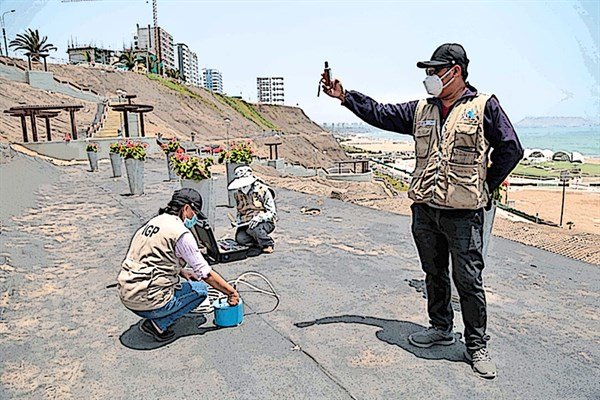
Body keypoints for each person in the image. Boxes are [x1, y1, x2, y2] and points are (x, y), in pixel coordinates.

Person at [321, 43, 523, 379]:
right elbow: (380, 112)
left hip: (463, 213)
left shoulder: (484, 106)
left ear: (454, 70)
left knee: (468, 280)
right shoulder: (421, 110)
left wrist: (487, 186)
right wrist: (345, 96)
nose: (429, 77)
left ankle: (476, 345)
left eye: (434, 71)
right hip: (425, 210)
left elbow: (511, 148)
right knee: (434, 274)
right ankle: (441, 328)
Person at [117, 188, 239, 341]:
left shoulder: (154, 222)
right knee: (200, 290)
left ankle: (155, 314)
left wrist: (182, 271)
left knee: (185, 285)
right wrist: (231, 293)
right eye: (194, 214)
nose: (194, 218)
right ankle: (158, 324)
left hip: (127, 295)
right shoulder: (181, 234)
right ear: (186, 208)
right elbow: (205, 273)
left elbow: (150, 257)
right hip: (146, 301)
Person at [227, 165, 277, 254]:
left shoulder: (263, 190)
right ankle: (257, 242)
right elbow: (240, 211)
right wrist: (237, 221)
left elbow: (272, 212)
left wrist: (259, 218)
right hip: (246, 222)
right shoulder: (238, 194)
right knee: (240, 239)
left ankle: (268, 243)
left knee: (254, 229)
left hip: (265, 222)